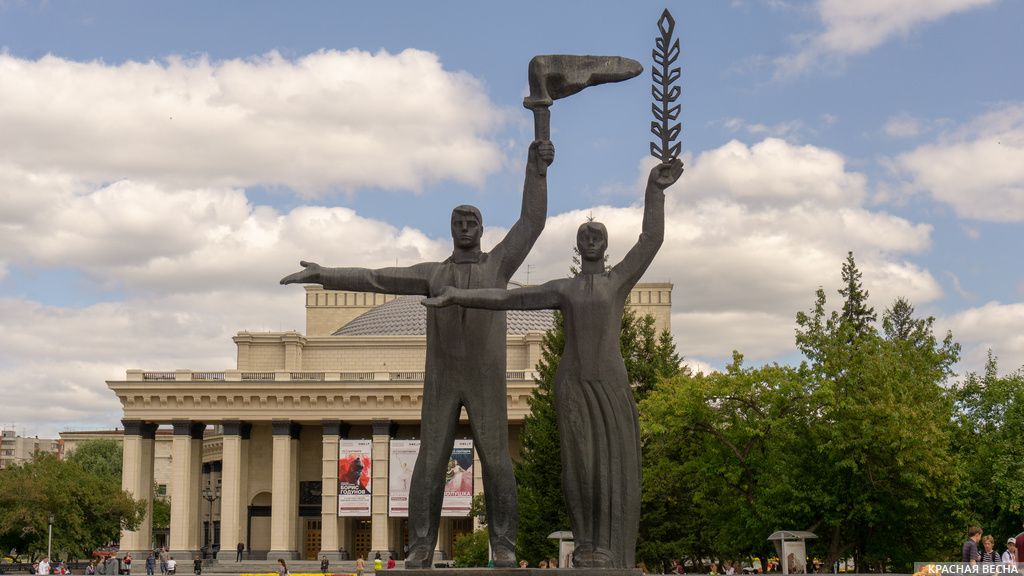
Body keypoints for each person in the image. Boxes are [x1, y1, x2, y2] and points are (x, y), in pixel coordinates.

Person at [281, 139, 554, 568]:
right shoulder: (433, 274)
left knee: (497, 459)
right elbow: (375, 277)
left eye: (472, 222)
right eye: (459, 222)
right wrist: (325, 274)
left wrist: (536, 168)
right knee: (430, 459)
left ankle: (503, 544)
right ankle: (421, 544)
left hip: (485, 378)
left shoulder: (498, 266)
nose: (465, 228)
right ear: (451, 229)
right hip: (442, 379)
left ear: (481, 230)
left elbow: (532, 220)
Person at [425, 158, 682, 568]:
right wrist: (459, 295)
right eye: (585, 235)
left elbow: (651, 238)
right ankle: (586, 546)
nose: (592, 239)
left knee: (614, 466)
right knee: (579, 469)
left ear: (606, 244)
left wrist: (655, 190)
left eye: (598, 234)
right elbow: (507, 298)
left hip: (610, 385)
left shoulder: (618, 281)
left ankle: (614, 550)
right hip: (573, 385)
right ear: (578, 246)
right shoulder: (564, 288)